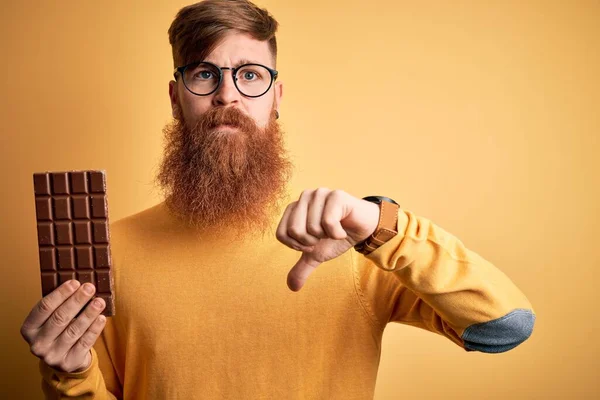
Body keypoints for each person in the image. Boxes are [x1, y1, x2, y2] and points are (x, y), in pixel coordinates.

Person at [20, 0, 536, 398]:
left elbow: (504, 328)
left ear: (276, 98)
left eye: (250, 75)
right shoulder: (105, 253)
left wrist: (381, 225)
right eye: (204, 74)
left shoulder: (353, 243)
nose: (228, 96)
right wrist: (70, 374)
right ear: (176, 99)